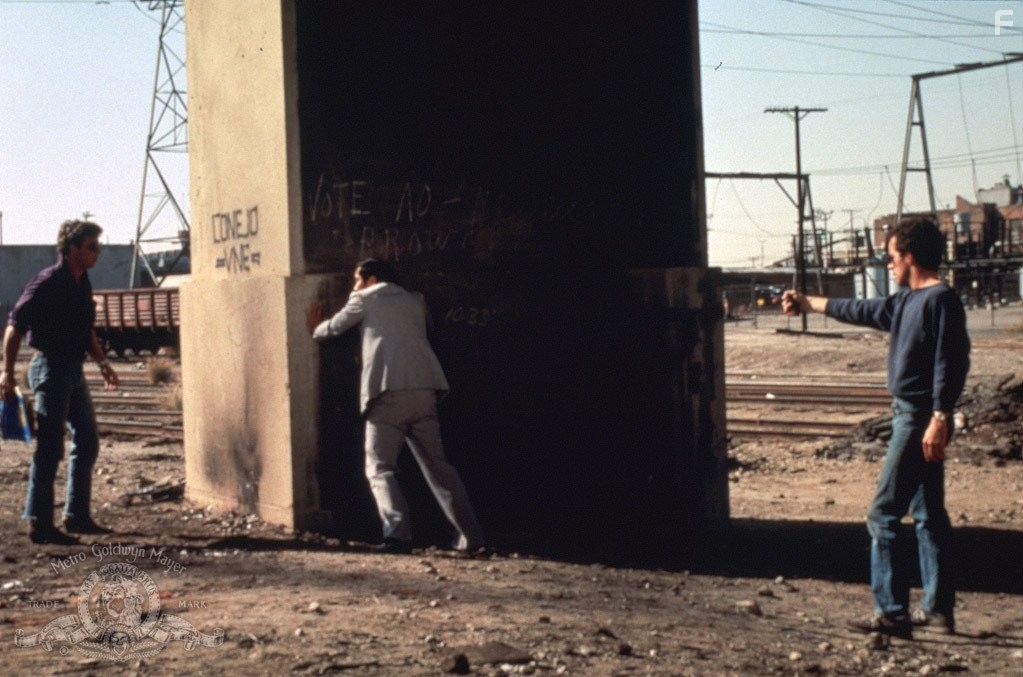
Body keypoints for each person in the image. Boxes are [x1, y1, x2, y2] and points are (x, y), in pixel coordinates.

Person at [782, 217, 969, 639]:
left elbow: (951, 363)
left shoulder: (941, 301)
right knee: (927, 514)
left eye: (891, 258)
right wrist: (810, 303)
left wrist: (940, 417)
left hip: (919, 419)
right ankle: (938, 611)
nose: (888, 266)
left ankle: (891, 613)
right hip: (918, 416)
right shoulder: (906, 302)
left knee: (882, 513)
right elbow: (860, 309)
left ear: (910, 258)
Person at [306, 259, 484, 553]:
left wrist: (315, 327)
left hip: (388, 393)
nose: (354, 286)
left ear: (371, 279)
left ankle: (397, 534)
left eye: (357, 280)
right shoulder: (416, 300)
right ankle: (472, 537)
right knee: (439, 468)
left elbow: (332, 329)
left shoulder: (363, 298)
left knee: (379, 467)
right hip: (425, 389)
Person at [1, 220, 120, 544]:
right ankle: (39, 522)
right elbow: (15, 326)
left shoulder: (82, 282)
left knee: (88, 439)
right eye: (92, 246)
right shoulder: (48, 281)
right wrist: (6, 373)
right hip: (50, 369)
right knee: (50, 447)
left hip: (73, 370)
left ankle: (76, 516)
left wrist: (104, 364)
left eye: (99, 246)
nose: (98, 252)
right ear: (72, 249)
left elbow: (86, 330)